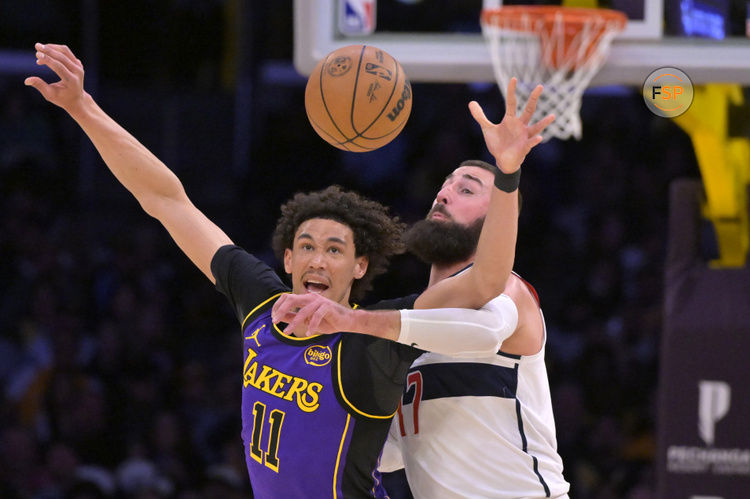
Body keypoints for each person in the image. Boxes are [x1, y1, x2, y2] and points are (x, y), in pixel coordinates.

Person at [26, 43, 551, 498]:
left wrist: (507, 174)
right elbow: (167, 200)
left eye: (335, 249)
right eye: (307, 246)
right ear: (288, 260)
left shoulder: (377, 336)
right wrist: (84, 109)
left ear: (359, 266)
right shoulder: (259, 303)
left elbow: (484, 285)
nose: (318, 259)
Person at [272, 107, 569, 498]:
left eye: (465, 190)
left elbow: (484, 333)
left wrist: (353, 321)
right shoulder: (409, 336)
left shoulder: (509, 292)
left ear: (500, 213)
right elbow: (395, 452)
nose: (444, 193)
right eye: (444, 186)